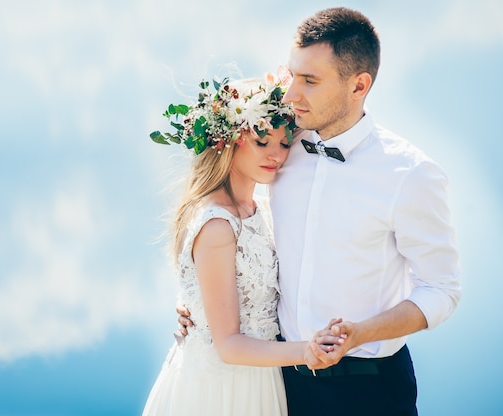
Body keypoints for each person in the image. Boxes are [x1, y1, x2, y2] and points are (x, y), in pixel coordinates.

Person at [178, 7, 462, 415]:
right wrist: (202, 308)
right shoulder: (279, 146)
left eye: (310, 81)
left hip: (372, 390)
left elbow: (442, 290)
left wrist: (360, 333)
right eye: (293, 74)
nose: (292, 94)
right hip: (278, 384)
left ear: (358, 85)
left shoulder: (410, 174)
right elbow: (242, 222)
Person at [143, 74, 344, 416]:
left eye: (285, 143)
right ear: (230, 140)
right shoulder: (218, 225)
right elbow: (228, 345)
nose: (276, 155)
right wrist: (306, 351)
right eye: (262, 141)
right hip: (221, 391)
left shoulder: (263, 208)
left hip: (263, 379)